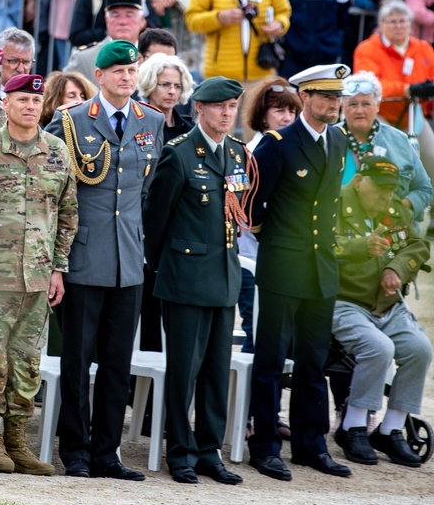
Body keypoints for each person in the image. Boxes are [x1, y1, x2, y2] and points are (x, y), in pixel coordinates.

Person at [46, 38, 164, 479]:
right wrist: (57, 261)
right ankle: (75, 451)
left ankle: (106, 452)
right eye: (118, 72)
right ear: (99, 76)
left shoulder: (151, 120)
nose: (126, 78)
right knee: (77, 360)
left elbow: (143, 191)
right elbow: (56, 193)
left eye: (132, 72)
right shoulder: (72, 121)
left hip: (128, 259)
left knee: (118, 362)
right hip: (82, 255)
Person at [0, 72, 78, 475]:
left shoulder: (56, 151)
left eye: (36, 101)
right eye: (22, 100)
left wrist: (58, 269)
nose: (30, 106)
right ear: (7, 104)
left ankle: (18, 440)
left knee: (27, 363)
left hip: (38, 275)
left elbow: (68, 214)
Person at [249, 62, 353, 480]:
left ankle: (312, 445)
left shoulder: (338, 140)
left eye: (337, 97)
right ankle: (266, 446)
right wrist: (276, 242)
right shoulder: (276, 143)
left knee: (314, 362)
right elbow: (254, 207)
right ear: (305, 97)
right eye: (326, 96)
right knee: (271, 360)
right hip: (284, 263)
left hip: (321, 265)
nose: (335, 104)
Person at [144, 76, 250, 483]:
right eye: (219, 107)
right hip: (185, 279)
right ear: (199, 109)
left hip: (224, 277)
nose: (226, 114)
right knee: (183, 371)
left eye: (232, 107)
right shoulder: (180, 154)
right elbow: (156, 223)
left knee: (215, 372)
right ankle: (181, 453)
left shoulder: (237, 154)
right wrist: (162, 270)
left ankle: (210, 452)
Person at [331, 155, 431, 467]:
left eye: (391, 190)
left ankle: (391, 430)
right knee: (379, 347)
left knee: (420, 349)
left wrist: (397, 268)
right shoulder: (334, 204)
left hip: (388, 305)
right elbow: (321, 247)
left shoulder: (394, 208)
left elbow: (417, 246)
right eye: (380, 189)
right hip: (345, 302)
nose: (386, 196)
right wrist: (361, 246)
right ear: (360, 182)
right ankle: (353, 427)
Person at [353, 0, 434, 173]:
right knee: (391, 155)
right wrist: (407, 89)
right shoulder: (367, 49)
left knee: (431, 156)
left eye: (402, 21)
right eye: (392, 22)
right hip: (380, 113)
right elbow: (369, 85)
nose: (398, 26)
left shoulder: (424, 48)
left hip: (413, 114)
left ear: (410, 24)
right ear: (381, 25)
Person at [340, 71, 431, 223]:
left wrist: (399, 208)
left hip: (391, 228)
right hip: (341, 228)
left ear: (377, 106)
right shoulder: (328, 140)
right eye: (353, 104)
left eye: (366, 103)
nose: (359, 110)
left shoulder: (400, 141)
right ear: (342, 107)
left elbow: (424, 189)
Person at [136, 51, 194, 136]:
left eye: (177, 86)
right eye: (165, 85)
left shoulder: (189, 128)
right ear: (149, 85)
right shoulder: (135, 126)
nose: (172, 91)